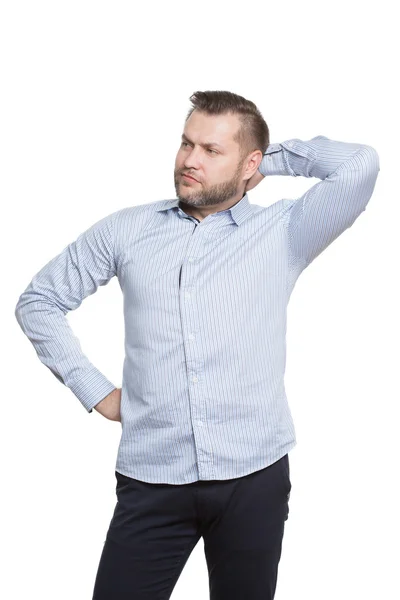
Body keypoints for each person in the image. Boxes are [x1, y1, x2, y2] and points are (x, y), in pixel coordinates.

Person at [14, 90, 380, 600]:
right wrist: (96, 391)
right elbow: (39, 301)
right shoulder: (128, 229)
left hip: (254, 476)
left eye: (212, 150)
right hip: (152, 477)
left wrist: (267, 158)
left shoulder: (286, 231)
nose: (189, 160)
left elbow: (360, 164)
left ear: (248, 162)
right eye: (186, 144)